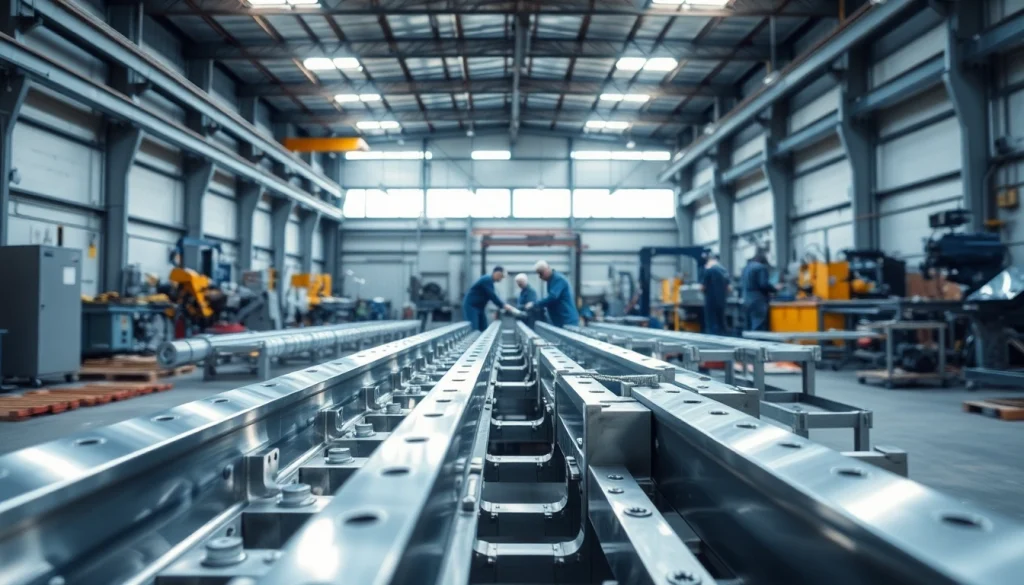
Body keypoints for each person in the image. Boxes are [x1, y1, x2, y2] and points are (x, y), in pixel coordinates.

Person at [526, 260, 580, 327]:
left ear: (547, 270)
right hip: (560, 320)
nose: (540, 277)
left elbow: (552, 297)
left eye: (541, 273)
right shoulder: (551, 280)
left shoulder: (558, 279)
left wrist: (534, 304)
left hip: (567, 319)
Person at [462, 266, 514, 331]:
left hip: (480, 307)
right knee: (474, 328)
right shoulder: (487, 280)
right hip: (472, 306)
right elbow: (492, 296)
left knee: (484, 327)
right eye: (501, 276)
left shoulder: (490, 281)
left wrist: (500, 307)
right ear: (497, 273)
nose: (501, 279)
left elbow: (493, 296)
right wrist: (504, 305)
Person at [740, 251, 776, 331]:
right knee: (758, 326)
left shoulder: (746, 268)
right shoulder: (761, 268)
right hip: (758, 301)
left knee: (749, 327)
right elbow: (763, 284)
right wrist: (775, 289)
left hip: (746, 300)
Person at [701, 253, 730, 336]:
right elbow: (729, 288)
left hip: (711, 300)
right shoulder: (724, 270)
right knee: (721, 322)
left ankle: (713, 339)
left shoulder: (709, 270)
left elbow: (703, 287)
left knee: (712, 323)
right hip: (722, 300)